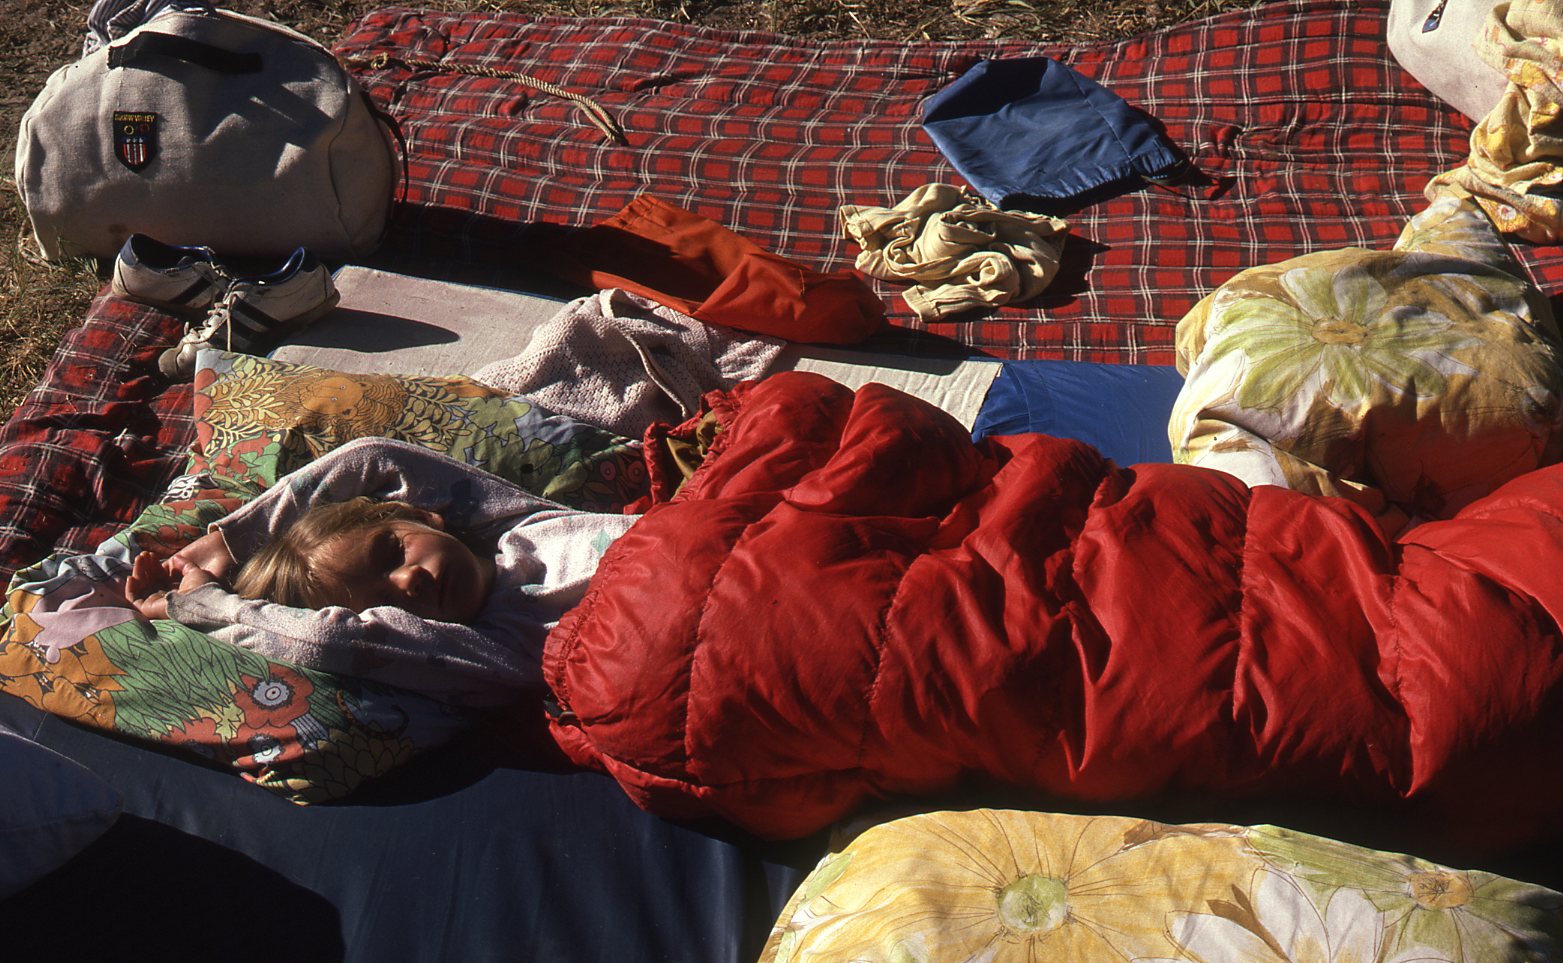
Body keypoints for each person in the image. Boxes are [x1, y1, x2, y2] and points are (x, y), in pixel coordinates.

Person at [123, 436, 639, 707]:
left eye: (392, 552)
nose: (407, 580)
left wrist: (229, 540)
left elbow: (373, 458)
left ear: (422, 515)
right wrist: (202, 605)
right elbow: (327, 642)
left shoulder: (520, 524)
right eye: (384, 606)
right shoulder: (494, 648)